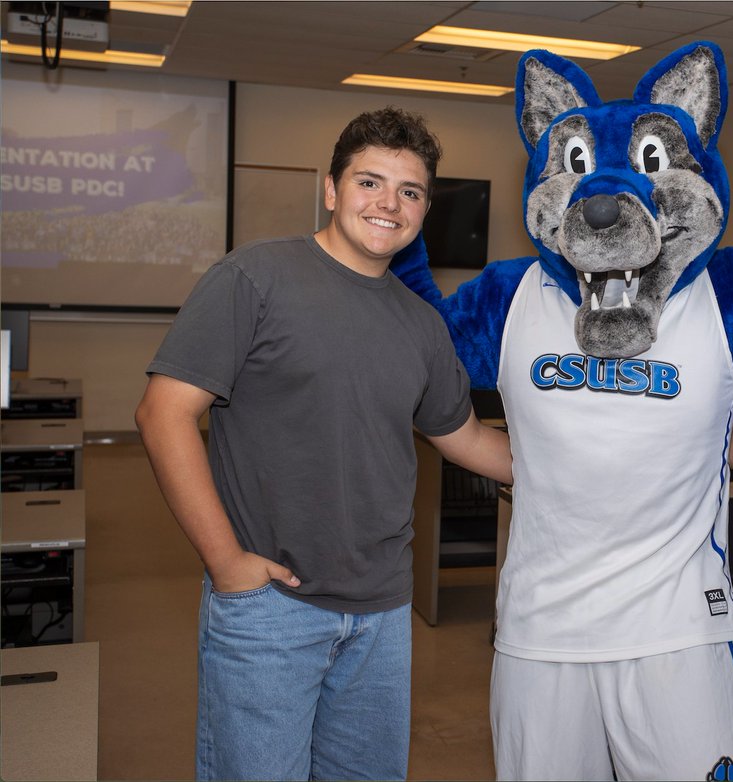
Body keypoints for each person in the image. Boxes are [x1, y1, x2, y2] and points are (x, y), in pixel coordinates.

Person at [134, 107, 512, 782]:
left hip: (383, 613)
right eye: (370, 183)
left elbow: (467, 439)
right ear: (332, 190)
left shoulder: (422, 324)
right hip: (271, 607)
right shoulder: (254, 278)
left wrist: (583, 470)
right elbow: (163, 415)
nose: (388, 204)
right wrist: (226, 564)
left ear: (424, 208)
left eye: (410, 191)